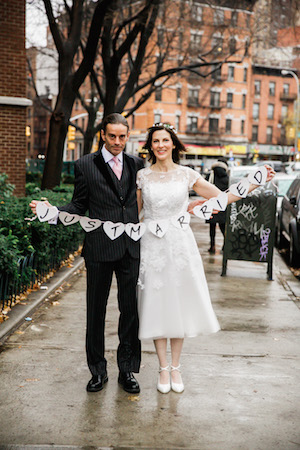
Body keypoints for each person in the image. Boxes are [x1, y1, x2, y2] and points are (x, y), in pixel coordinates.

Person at [136, 123, 275, 394]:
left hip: (179, 246)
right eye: (156, 141)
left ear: (173, 144)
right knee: (156, 305)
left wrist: (254, 180)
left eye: (166, 140)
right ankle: (162, 368)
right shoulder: (142, 177)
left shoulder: (187, 175)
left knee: (177, 305)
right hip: (151, 246)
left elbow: (222, 197)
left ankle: (176, 367)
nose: (161, 145)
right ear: (150, 146)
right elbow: (133, 214)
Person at [30, 113, 144, 394]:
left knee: (130, 311)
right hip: (99, 248)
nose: (117, 141)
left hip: (130, 247)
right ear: (103, 135)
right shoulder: (85, 165)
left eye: (122, 136)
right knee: (96, 311)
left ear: (128, 136)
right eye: (112, 136)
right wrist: (52, 213)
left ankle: (127, 370)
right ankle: (98, 371)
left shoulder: (137, 164)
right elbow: (78, 205)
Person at [206, 158, 229, 254]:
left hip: (212, 204)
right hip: (223, 205)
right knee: (223, 227)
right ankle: (225, 246)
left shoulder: (210, 176)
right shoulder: (227, 178)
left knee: (212, 227)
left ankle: (212, 246)